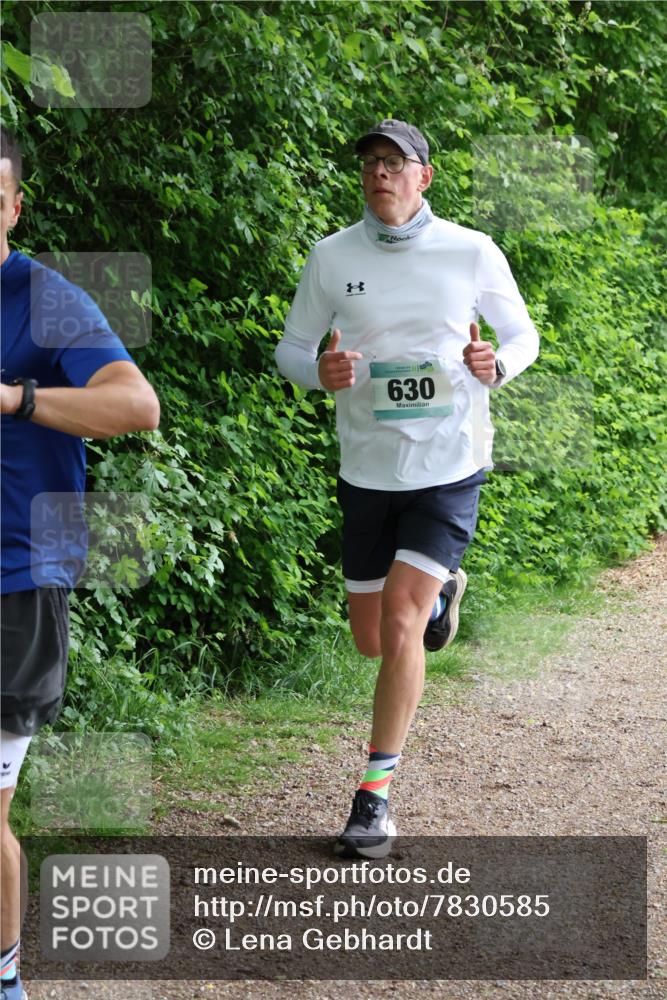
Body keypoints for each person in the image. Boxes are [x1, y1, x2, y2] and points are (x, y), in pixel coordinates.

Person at [276, 119, 539, 859]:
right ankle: (440, 594)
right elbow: (292, 348)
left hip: (450, 464)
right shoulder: (332, 256)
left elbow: (522, 336)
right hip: (365, 467)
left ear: (425, 176)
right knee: (371, 640)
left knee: (396, 621)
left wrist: (498, 365)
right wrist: (314, 372)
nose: (379, 174)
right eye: (369, 163)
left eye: (394, 163)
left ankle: (373, 799)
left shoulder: (469, 250)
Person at [0, 127, 160, 1000]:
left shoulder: (45, 299)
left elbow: (137, 406)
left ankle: (6, 981)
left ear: (15, 206)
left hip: (15, 579)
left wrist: (14, 398)